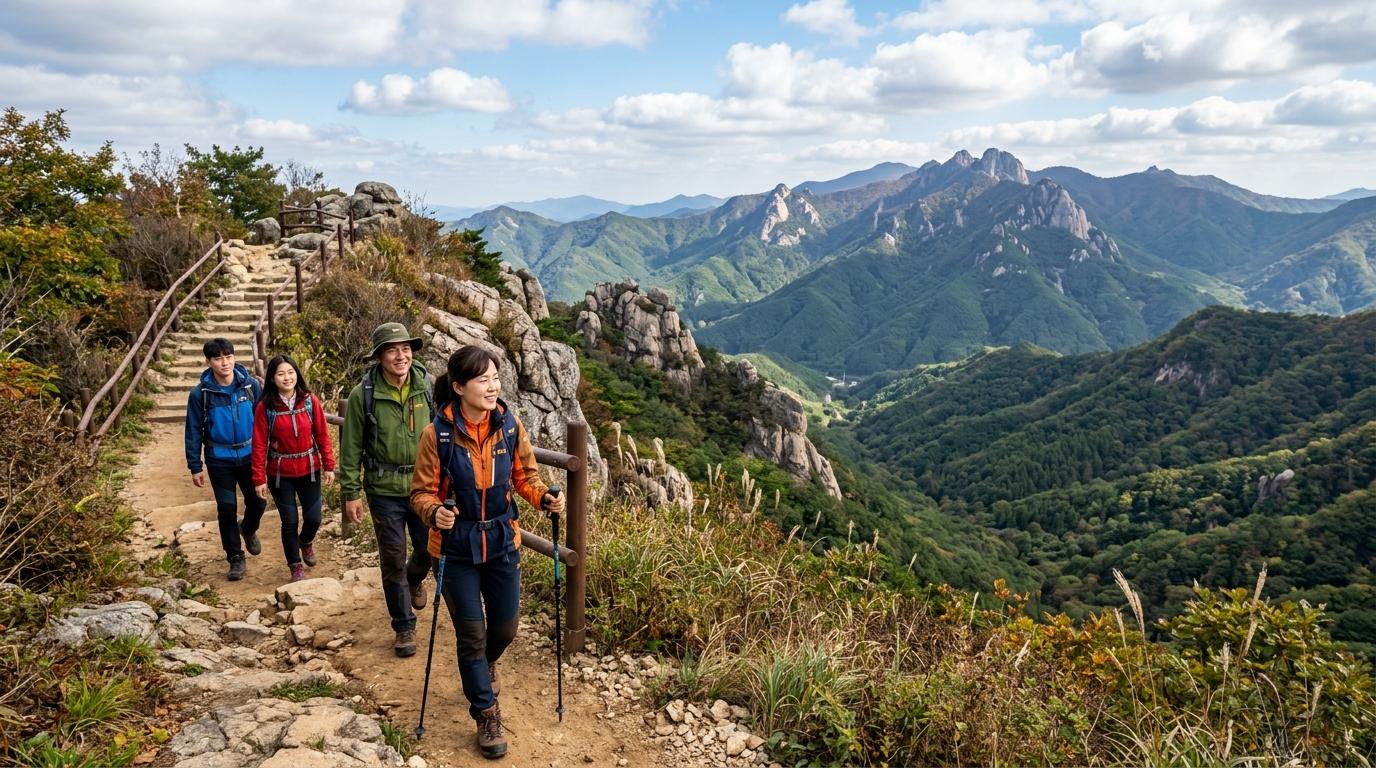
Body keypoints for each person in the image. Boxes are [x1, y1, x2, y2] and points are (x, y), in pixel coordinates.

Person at [411, 346, 564, 760]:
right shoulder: (437, 434)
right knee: (472, 634)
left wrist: (544, 497)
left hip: (500, 542)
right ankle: (486, 712)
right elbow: (421, 493)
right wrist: (434, 512)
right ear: (459, 387)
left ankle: (484, 664)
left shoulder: (508, 425)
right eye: (483, 379)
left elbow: (525, 477)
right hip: (454, 548)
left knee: (504, 629)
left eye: (495, 377)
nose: (493, 385)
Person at [338, 322, 435, 657]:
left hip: (425, 487)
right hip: (383, 489)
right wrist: (350, 492)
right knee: (392, 558)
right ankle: (404, 626)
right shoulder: (362, 395)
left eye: (406, 348)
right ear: (379, 356)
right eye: (393, 349)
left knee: (430, 550)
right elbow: (350, 448)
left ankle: (413, 579)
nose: (401, 355)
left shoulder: (427, 387)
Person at [185, 338, 265, 581]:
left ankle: (248, 528)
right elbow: (193, 429)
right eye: (218, 358)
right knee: (226, 509)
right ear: (209, 362)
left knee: (259, 502)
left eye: (228, 356)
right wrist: (195, 465)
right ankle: (235, 558)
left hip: (250, 456)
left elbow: (263, 422)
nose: (225, 362)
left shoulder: (250, 386)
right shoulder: (201, 394)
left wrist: (269, 453)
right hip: (219, 459)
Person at [252, 354, 336, 583]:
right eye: (281, 374)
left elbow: (322, 434)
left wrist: (329, 465)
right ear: (272, 378)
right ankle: (295, 565)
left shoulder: (309, 401)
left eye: (290, 372)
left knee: (314, 518)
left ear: (297, 374)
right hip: (281, 473)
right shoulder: (265, 407)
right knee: (289, 520)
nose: (287, 377)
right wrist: (259, 478)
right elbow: (259, 444)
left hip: (309, 468)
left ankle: (306, 541)